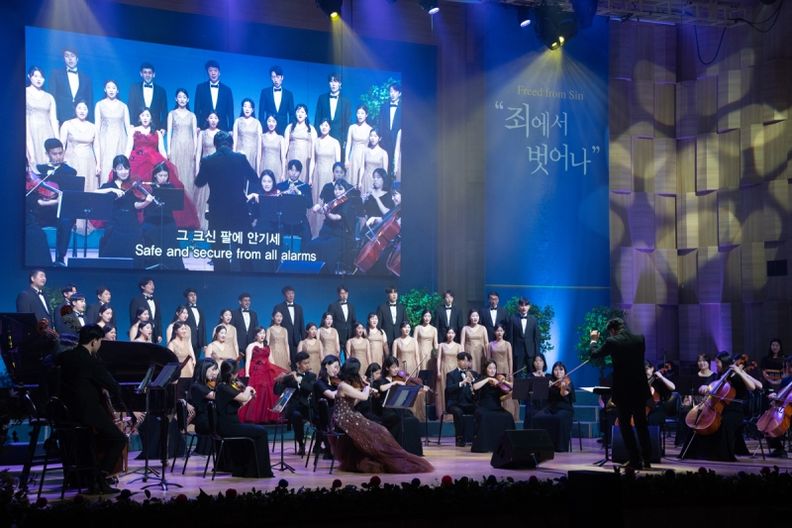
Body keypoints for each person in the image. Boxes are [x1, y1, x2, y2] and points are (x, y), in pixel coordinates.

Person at [332, 357, 433, 473]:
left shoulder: (347, 385)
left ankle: (382, 454)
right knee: (375, 430)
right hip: (343, 417)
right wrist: (367, 387)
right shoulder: (343, 386)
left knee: (380, 430)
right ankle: (378, 454)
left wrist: (366, 391)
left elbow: (353, 402)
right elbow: (363, 397)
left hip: (350, 415)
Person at [57, 325, 126, 494]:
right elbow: (113, 386)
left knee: (99, 438)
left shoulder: (65, 357)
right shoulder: (90, 361)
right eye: (100, 341)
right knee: (119, 439)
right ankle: (100, 477)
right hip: (87, 412)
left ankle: (91, 477)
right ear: (94, 341)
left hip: (66, 413)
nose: (100, 344)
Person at [590, 318, 653, 469]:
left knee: (625, 425)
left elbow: (595, 354)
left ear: (612, 330)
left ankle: (635, 460)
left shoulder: (612, 341)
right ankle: (647, 459)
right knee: (641, 424)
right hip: (639, 388)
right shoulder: (640, 338)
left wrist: (593, 340)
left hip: (624, 389)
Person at [194, 131, 262, 271]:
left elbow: (199, 182)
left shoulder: (208, 160)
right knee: (244, 247)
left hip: (217, 210)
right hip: (239, 209)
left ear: (215, 145)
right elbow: (255, 178)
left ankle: (222, 278)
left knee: (219, 248)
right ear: (231, 144)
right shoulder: (240, 158)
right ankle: (248, 276)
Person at [682, 351, 762, 462]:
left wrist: (740, 372)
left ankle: (721, 454)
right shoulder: (722, 374)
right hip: (722, 407)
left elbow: (754, 387)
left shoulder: (737, 375)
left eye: (717, 363)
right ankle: (699, 453)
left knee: (723, 423)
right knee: (700, 421)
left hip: (735, 409)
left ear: (724, 362)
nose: (716, 365)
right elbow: (716, 390)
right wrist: (707, 387)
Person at [127, 107, 198, 229]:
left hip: (153, 162)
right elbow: (128, 148)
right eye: (143, 115)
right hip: (137, 161)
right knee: (137, 189)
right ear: (139, 117)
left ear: (151, 118)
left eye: (147, 115)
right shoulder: (133, 130)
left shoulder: (157, 132)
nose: (145, 118)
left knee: (161, 190)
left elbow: (162, 150)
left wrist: (167, 165)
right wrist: (126, 163)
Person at [214, 359, 273, 477]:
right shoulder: (223, 387)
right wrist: (249, 388)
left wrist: (250, 395)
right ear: (232, 373)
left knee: (257, 431)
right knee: (261, 432)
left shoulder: (226, 386)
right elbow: (243, 397)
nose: (238, 376)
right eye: (237, 372)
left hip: (232, 424)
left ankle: (249, 469)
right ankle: (259, 470)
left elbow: (239, 405)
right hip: (228, 427)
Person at [33, 138, 79, 266]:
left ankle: (60, 258)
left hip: (59, 212)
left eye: (60, 153)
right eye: (54, 154)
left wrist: (48, 203)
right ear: (47, 154)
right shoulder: (39, 170)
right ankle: (38, 259)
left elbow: (69, 198)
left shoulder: (70, 172)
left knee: (66, 220)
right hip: (41, 211)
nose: (58, 157)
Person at [139, 161, 186, 270]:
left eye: (165, 175)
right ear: (155, 175)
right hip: (151, 220)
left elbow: (175, 205)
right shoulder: (148, 188)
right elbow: (143, 206)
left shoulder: (171, 187)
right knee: (148, 230)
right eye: (160, 175)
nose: (163, 178)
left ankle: (171, 266)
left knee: (171, 231)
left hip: (167, 220)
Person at [375, 356, 425, 455]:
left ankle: (412, 451)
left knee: (413, 419)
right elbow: (382, 388)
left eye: (397, 367)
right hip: (386, 410)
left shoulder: (399, 378)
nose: (396, 369)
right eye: (393, 367)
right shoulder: (382, 380)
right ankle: (398, 449)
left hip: (397, 408)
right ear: (387, 368)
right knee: (398, 420)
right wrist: (394, 383)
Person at [96, 155, 144, 258]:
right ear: (114, 170)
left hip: (131, 224)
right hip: (114, 225)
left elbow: (136, 206)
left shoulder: (133, 186)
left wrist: (146, 202)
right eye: (120, 169)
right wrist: (112, 190)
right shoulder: (109, 186)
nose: (124, 172)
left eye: (126, 168)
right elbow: (95, 193)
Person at [309, 178, 359, 273]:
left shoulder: (349, 204)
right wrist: (318, 208)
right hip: (329, 233)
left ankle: (326, 273)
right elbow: (323, 210)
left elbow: (336, 217)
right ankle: (312, 271)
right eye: (335, 189)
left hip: (341, 236)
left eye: (340, 189)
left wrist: (327, 213)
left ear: (346, 190)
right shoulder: (333, 202)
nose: (337, 192)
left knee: (325, 247)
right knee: (312, 244)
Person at [239, 328, 286, 424]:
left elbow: (270, 360)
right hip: (255, 370)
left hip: (267, 370)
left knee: (270, 390)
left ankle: (268, 416)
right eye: (260, 333)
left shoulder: (267, 346)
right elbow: (248, 360)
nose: (262, 335)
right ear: (256, 335)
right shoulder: (251, 346)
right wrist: (247, 374)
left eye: (264, 333)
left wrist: (275, 370)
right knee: (258, 391)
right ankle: (256, 416)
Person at [274, 351, 315, 454]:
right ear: (298, 364)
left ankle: (319, 446)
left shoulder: (312, 376)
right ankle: (301, 444)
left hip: (307, 407)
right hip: (294, 408)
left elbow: (310, 388)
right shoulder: (289, 376)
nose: (308, 365)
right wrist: (279, 381)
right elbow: (277, 391)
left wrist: (298, 380)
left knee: (321, 416)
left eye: (308, 362)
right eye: (305, 363)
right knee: (297, 416)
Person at [471, 359, 516, 453]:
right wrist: (488, 379)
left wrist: (505, 383)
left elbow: (502, 397)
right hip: (483, 407)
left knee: (508, 416)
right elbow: (475, 387)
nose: (492, 370)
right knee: (485, 417)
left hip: (497, 407)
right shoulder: (481, 378)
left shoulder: (498, 381)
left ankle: (507, 445)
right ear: (485, 369)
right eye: (490, 368)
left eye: (494, 368)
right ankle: (485, 446)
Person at [309, 119, 342, 237]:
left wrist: (337, 179)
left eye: (326, 125)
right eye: (322, 125)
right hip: (317, 175)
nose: (324, 127)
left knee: (327, 203)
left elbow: (338, 164)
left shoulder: (335, 142)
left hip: (330, 176)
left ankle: (326, 232)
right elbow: (313, 161)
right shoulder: (315, 141)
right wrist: (310, 177)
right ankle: (314, 233)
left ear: (330, 127)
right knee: (317, 201)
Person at [533, 361, 576, 452]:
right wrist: (545, 386)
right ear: (553, 371)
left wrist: (563, 387)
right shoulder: (551, 381)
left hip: (565, 409)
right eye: (555, 370)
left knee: (559, 418)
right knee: (537, 417)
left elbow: (563, 394)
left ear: (565, 371)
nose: (558, 372)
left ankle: (559, 447)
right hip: (551, 407)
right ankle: (542, 445)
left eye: (561, 369)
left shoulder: (567, 382)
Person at [166, 88, 198, 207]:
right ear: (176, 99)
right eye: (179, 97)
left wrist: (195, 151)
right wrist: (168, 150)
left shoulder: (192, 115)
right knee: (176, 174)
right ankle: (175, 207)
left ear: (188, 99)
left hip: (189, 147)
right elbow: (169, 133)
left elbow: (194, 134)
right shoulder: (171, 114)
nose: (182, 99)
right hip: (175, 147)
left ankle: (188, 206)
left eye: (184, 97)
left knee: (188, 175)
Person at [59, 100, 100, 194]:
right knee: (73, 187)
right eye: (79, 108)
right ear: (75, 109)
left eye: (85, 109)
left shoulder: (93, 127)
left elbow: (97, 146)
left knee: (89, 187)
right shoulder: (67, 124)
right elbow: (62, 144)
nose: (82, 111)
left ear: (88, 111)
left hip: (89, 162)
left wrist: (98, 164)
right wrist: (61, 161)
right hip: (72, 161)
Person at [94, 80, 131, 179]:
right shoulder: (99, 105)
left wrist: (128, 148)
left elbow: (128, 128)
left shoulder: (123, 106)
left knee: (120, 167)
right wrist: (96, 143)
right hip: (104, 141)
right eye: (109, 87)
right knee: (105, 168)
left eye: (114, 88)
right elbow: (97, 127)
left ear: (117, 90)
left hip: (120, 140)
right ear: (105, 89)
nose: (111, 90)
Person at [26, 66, 59, 168]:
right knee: (33, 161)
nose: (38, 79)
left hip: (47, 132)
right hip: (30, 131)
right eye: (35, 76)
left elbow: (53, 120)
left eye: (41, 77)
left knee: (48, 163)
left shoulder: (49, 97)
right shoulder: (25, 92)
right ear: (29, 77)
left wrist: (57, 141)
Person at [50, 48, 93, 125]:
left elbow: (89, 101)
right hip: (61, 118)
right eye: (67, 56)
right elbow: (52, 97)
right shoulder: (56, 74)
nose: (70, 58)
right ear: (64, 58)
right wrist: (54, 118)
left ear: (77, 59)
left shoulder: (86, 78)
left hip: (81, 119)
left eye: (72, 56)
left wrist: (91, 121)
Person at [193, 112, 219, 230]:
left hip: (218, 169)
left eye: (215, 118)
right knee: (202, 197)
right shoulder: (202, 133)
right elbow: (198, 152)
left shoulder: (221, 134)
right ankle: (202, 223)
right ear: (207, 119)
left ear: (218, 120)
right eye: (211, 118)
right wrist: (197, 170)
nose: (213, 120)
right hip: (205, 168)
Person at [488, 323, 519, 421]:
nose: (499, 333)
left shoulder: (507, 344)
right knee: (496, 391)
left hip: (505, 369)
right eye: (497, 331)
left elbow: (510, 359)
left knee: (507, 390)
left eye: (501, 331)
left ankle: (510, 413)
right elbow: (488, 360)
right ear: (494, 332)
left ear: (504, 332)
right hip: (494, 371)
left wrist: (510, 372)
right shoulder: (490, 344)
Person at [315, 73, 351, 153]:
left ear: (340, 84)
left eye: (336, 81)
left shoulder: (346, 101)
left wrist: (345, 139)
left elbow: (348, 122)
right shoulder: (322, 98)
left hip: (339, 139)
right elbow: (317, 119)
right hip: (323, 137)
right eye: (331, 81)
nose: (333, 84)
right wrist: (317, 136)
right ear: (329, 83)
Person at [194, 60, 234, 132]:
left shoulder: (227, 90)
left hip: (222, 127)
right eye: (210, 71)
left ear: (219, 73)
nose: (213, 73)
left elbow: (230, 112)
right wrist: (197, 125)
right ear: (207, 72)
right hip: (204, 126)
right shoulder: (200, 88)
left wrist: (231, 129)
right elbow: (197, 109)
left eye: (215, 70)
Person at [128, 63, 167, 132]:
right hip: (137, 126)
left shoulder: (161, 91)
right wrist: (131, 123)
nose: (147, 75)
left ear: (154, 74)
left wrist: (164, 127)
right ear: (141, 74)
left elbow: (164, 111)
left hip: (155, 127)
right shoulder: (134, 88)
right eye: (145, 72)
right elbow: (130, 107)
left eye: (150, 73)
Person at [272, 286, 305, 364]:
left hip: (297, 340)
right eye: (288, 293)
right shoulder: (279, 307)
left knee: (298, 363)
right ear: (284, 295)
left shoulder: (299, 308)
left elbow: (301, 324)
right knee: (286, 362)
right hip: (284, 340)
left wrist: (303, 340)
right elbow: (274, 323)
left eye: (292, 293)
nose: (291, 295)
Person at [259, 65, 294, 136]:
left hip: (283, 128)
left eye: (278, 77)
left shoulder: (289, 94)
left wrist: (290, 128)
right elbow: (261, 112)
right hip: (268, 127)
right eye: (273, 77)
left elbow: (291, 114)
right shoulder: (265, 92)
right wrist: (262, 126)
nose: (276, 79)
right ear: (271, 78)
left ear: (282, 77)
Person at [437, 329, 463, 423]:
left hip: (455, 371)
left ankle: (455, 414)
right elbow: (439, 358)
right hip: (444, 369)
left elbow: (462, 360)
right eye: (449, 333)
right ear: (446, 334)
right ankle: (443, 413)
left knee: (454, 390)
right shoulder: (441, 345)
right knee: (443, 390)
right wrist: (438, 371)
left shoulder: (459, 346)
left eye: (452, 333)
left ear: (455, 334)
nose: (450, 335)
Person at [283, 104, 315, 179]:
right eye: (298, 112)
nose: (300, 114)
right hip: (292, 157)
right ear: (295, 114)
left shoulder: (311, 129)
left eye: (302, 112)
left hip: (305, 159)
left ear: (306, 115)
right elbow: (285, 145)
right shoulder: (289, 127)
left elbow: (314, 148)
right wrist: (283, 159)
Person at [509, 298, 539, 378]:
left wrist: (537, 354)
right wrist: (511, 352)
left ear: (529, 307)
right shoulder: (513, 318)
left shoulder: (533, 319)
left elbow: (536, 338)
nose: (524, 307)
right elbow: (510, 337)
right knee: (517, 374)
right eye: (522, 305)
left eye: (526, 305)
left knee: (532, 374)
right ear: (518, 306)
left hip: (530, 352)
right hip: (517, 352)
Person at [344, 105, 372, 189]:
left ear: (366, 115)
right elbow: (348, 144)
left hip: (364, 157)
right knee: (351, 181)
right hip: (353, 157)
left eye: (362, 113)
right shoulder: (352, 127)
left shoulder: (370, 129)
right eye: (358, 113)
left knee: (362, 183)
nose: (360, 115)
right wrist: (346, 159)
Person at [167, 321, 197, 400]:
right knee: (180, 398)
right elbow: (170, 361)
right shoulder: (172, 344)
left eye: (185, 329)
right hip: (179, 376)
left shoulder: (187, 342)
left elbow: (190, 356)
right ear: (176, 331)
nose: (184, 331)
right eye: (182, 329)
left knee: (190, 398)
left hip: (190, 374)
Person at [377, 82, 401, 177]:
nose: (392, 94)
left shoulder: (404, 107)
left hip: (399, 140)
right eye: (391, 91)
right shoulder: (384, 106)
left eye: (395, 91)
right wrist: (381, 137)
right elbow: (380, 123)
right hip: (385, 141)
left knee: (397, 166)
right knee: (385, 165)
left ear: (400, 93)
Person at [233, 98, 263, 172]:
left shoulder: (257, 123)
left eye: (249, 107)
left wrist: (258, 158)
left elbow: (260, 143)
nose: (247, 109)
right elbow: (234, 140)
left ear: (253, 110)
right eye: (245, 106)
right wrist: (233, 155)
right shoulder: (237, 121)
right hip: (240, 154)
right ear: (242, 108)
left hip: (253, 154)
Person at [128, 278, 162, 343]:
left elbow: (158, 318)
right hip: (141, 333)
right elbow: (133, 318)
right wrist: (136, 331)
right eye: (150, 284)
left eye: (153, 284)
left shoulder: (156, 301)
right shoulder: (136, 300)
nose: (153, 286)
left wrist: (159, 334)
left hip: (154, 334)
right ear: (143, 286)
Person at [359, 128, 389, 196]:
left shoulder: (383, 153)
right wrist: (360, 182)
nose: (372, 138)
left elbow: (385, 172)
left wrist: (381, 184)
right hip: (366, 180)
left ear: (380, 138)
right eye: (371, 136)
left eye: (375, 136)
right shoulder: (365, 151)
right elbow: (362, 167)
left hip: (377, 181)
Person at [327, 285, 356, 353]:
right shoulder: (333, 306)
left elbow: (353, 321)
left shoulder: (351, 306)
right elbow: (329, 321)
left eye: (346, 293)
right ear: (338, 294)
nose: (344, 295)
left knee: (349, 357)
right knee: (336, 356)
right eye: (342, 293)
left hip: (349, 336)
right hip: (337, 337)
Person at [231, 292, 260, 358]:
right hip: (238, 346)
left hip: (251, 345)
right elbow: (232, 329)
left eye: (249, 300)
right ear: (240, 302)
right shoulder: (234, 313)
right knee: (238, 364)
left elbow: (256, 329)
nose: (248, 302)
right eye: (245, 300)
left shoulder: (254, 314)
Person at [461, 309, 488, 373]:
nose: (475, 318)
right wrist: (463, 356)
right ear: (469, 317)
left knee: (480, 371)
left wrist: (487, 355)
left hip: (480, 354)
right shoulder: (465, 328)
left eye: (477, 316)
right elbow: (462, 343)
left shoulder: (483, 328)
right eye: (473, 316)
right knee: (469, 371)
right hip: (469, 353)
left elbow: (486, 343)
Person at [260, 114, 285, 182]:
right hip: (264, 166)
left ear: (276, 123)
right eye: (269, 121)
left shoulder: (281, 138)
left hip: (277, 168)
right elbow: (259, 155)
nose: (271, 123)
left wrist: (283, 173)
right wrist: (258, 171)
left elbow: (283, 157)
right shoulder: (262, 137)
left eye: (273, 121)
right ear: (266, 122)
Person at [183, 288, 207, 353]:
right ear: (187, 297)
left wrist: (204, 344)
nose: (193, 297)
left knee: (196, 358)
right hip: (187, 341)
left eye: (195, 295)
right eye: (191, 295)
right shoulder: (183, 309)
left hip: (198, 342)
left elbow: (203, 327)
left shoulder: (200, 310)